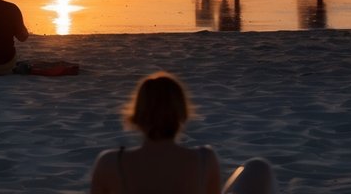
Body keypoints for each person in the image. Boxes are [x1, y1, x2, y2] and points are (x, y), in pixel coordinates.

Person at [89, 71, 278, 194]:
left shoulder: (109, 163)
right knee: (258, 167)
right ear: (182, 114)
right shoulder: (205, 159)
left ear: (137, 116)